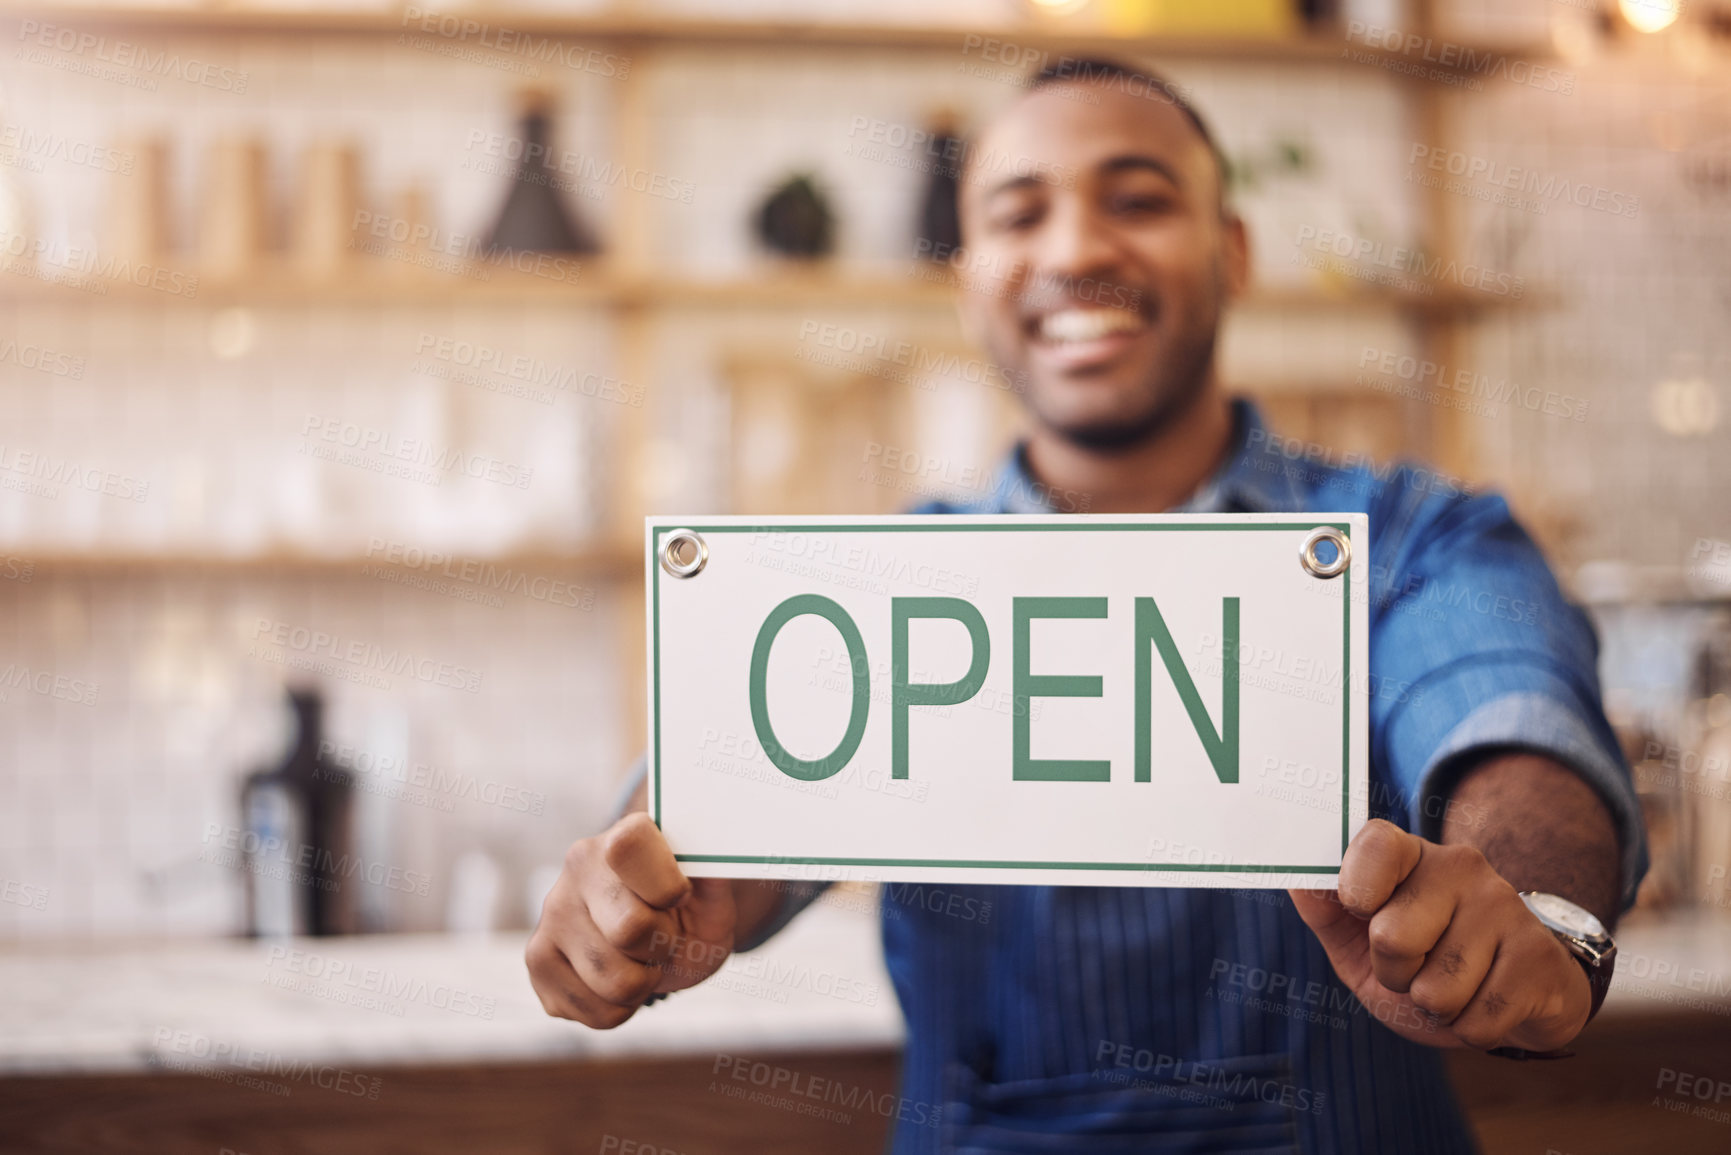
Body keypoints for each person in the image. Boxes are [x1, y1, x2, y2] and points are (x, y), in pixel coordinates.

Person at [526, 59, 1647, 1153]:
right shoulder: (880, 581)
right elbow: (741, 802)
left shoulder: (1419, 539)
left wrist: (1526, 908)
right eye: (1020, 215)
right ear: (968, 282)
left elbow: (1508, 712)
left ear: (1234, 252)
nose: (1074, 249)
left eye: (1140, 200)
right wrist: (651, 900)